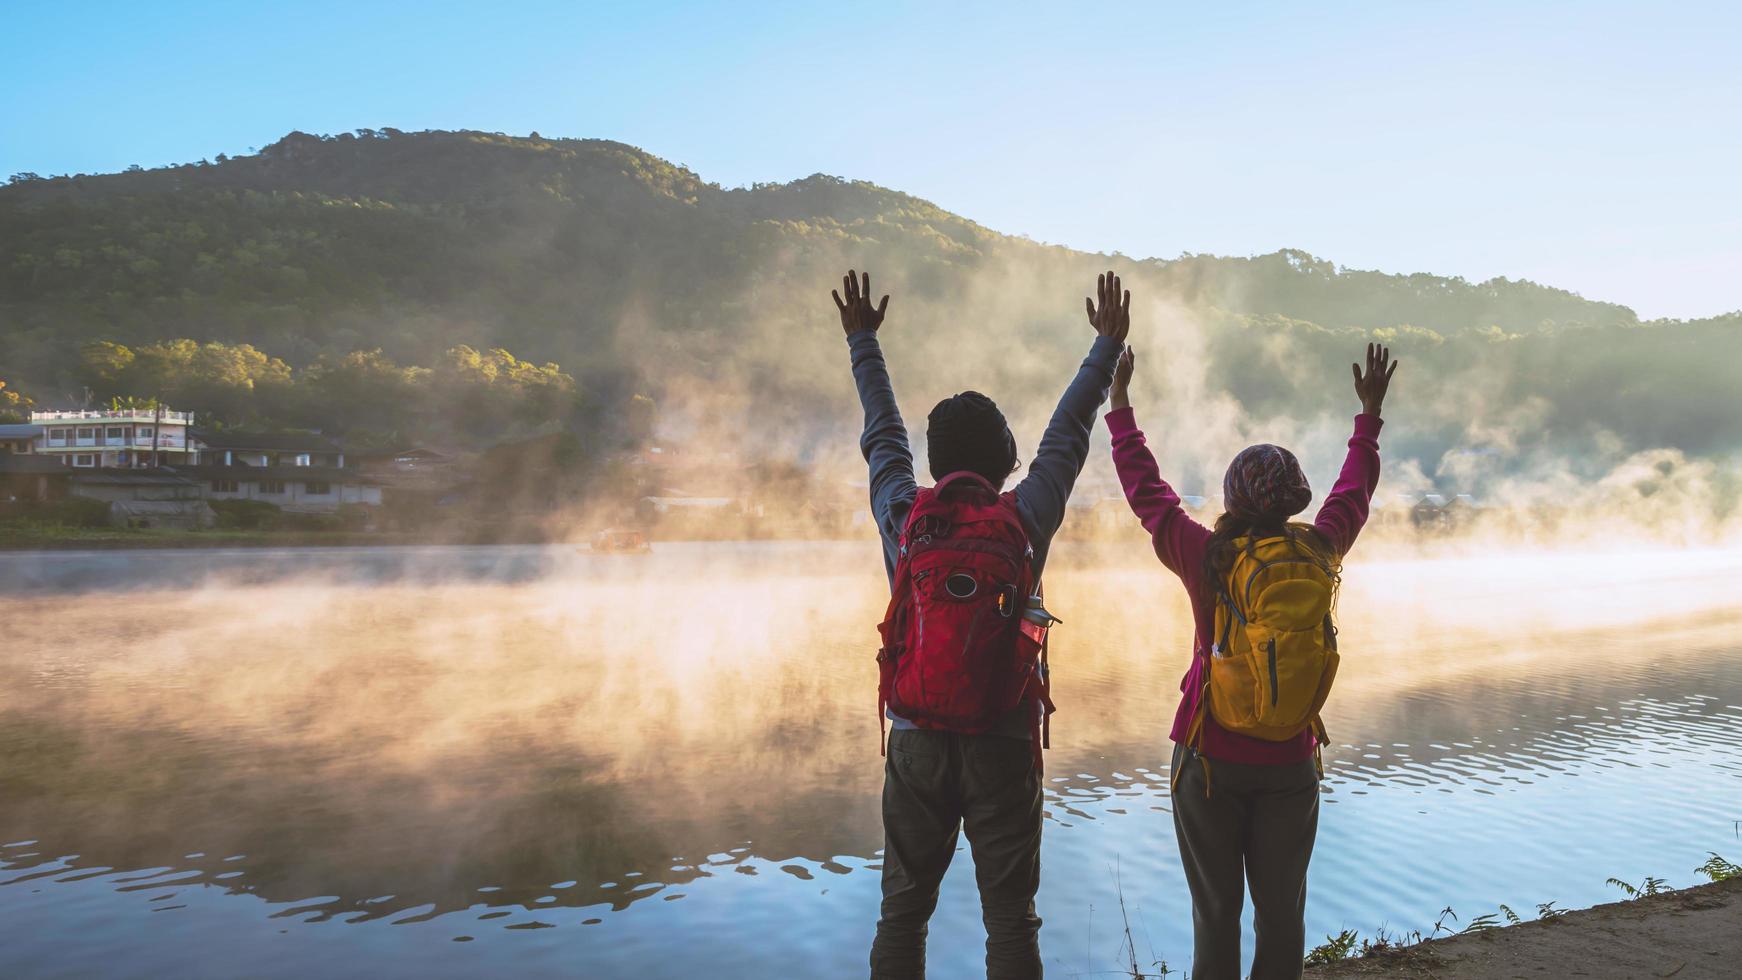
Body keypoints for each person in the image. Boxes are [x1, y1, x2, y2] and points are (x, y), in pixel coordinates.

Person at [836, 268, 1128, 979]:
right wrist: (1105, 348)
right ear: (1006, 460)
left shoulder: (907, 519)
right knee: (1010, 921)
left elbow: (882, 436)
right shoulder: (1024, 519)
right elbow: (1068, 435)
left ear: (935, 461)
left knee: (903, 915)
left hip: (916, 738)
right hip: (1002, 731)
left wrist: (863, 342)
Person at [1104, 342, 1398, 980]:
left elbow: (1147, 493)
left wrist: (1120, 404)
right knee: (1282, 916)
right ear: (1294, 498)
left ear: (1234, 498)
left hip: (1209, 757)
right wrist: (1368, 417)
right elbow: (1355, 492)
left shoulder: (1206, 556)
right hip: (1290, 761)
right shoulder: (1321, 548)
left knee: (1216, 915)